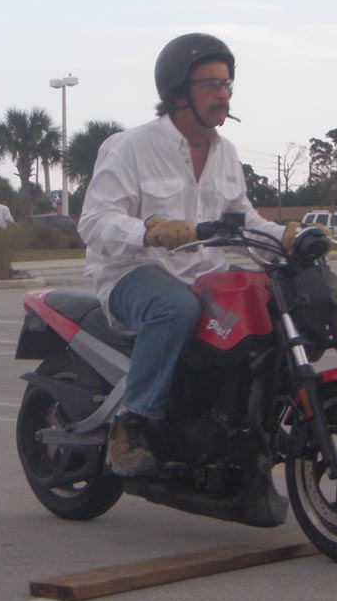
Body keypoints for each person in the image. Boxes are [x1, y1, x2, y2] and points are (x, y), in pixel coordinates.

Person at [78, 33, 297, 476]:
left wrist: (291, 238)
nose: (223, 94)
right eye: (211, 84)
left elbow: (243, 221)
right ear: (178, 93)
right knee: (174, 307)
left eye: (227, 84)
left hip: (202, 273)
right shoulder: (133, 147)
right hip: (133, 272)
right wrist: (149, 231)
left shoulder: (225, 153)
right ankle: (132, 422)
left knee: (269, 301)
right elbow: (94, 221)